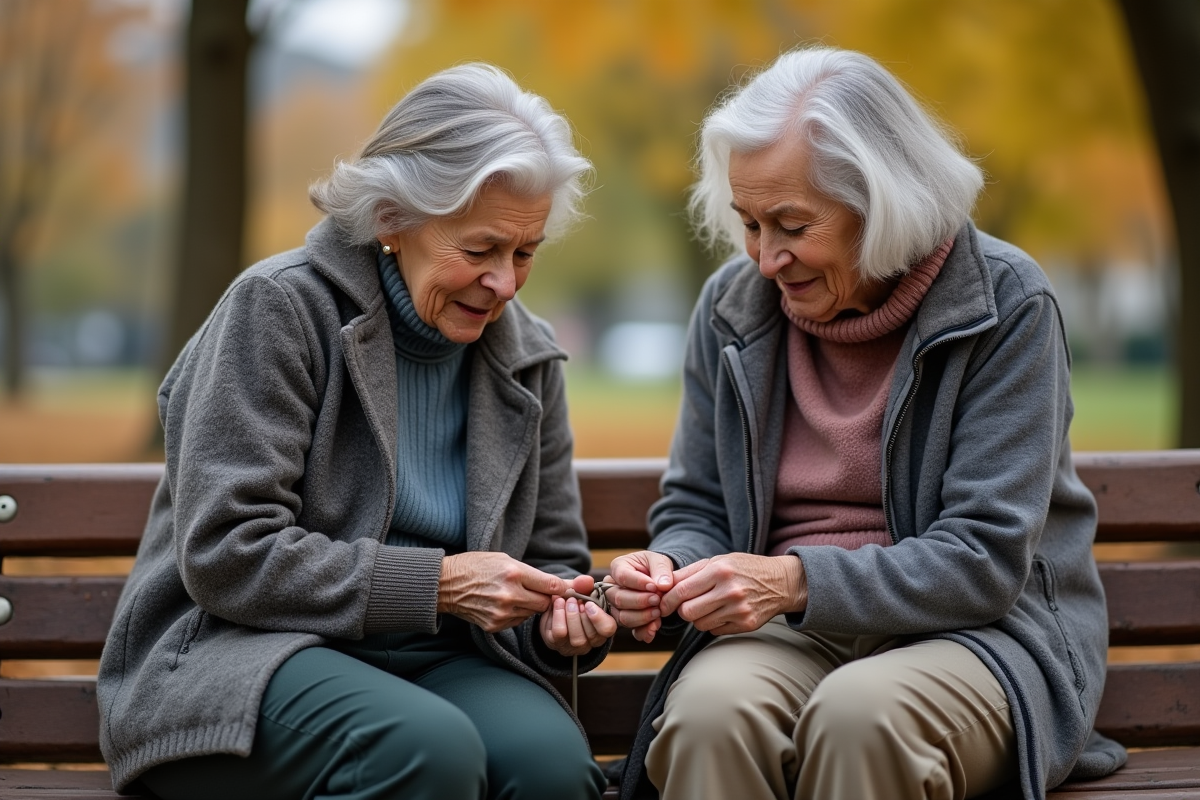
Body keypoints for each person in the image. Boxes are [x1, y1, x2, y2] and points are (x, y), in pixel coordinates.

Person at [606, 47, 1125, 800]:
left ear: (884, 201)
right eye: (749, 222)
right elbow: (699, 505)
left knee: (861, 718)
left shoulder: (1006, 304)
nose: (766, 257)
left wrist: (791, 579)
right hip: (788, 629)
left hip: (976, 635)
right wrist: (672, 568)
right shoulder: (731, 308)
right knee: (708, 718)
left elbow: (983, 558)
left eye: (791, 225)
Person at [97, 63, 615, 800]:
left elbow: (551, 558)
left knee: (552, 770)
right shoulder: (278, 309)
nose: (504, 283)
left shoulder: (525, 355)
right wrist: (439, 584)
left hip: (443, 658)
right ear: (391, 220)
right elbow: (226, 551)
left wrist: (566, 618)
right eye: (480, 250)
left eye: (524, 253)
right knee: (422, 751)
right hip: (249, 650)